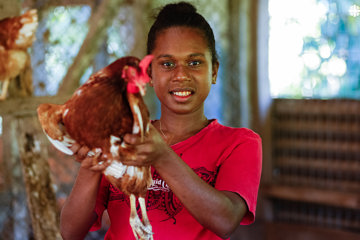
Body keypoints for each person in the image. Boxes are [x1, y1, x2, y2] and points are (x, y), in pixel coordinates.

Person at [60, 2, 262, 240]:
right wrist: (91, 166)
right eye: (167, 64)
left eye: (194, 62)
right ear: (150, 75)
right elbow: (70, 232)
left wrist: (162, 157)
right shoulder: (121, 140)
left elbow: (225, 220)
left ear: (214, 71)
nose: (181, 74)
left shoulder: (239, 143)